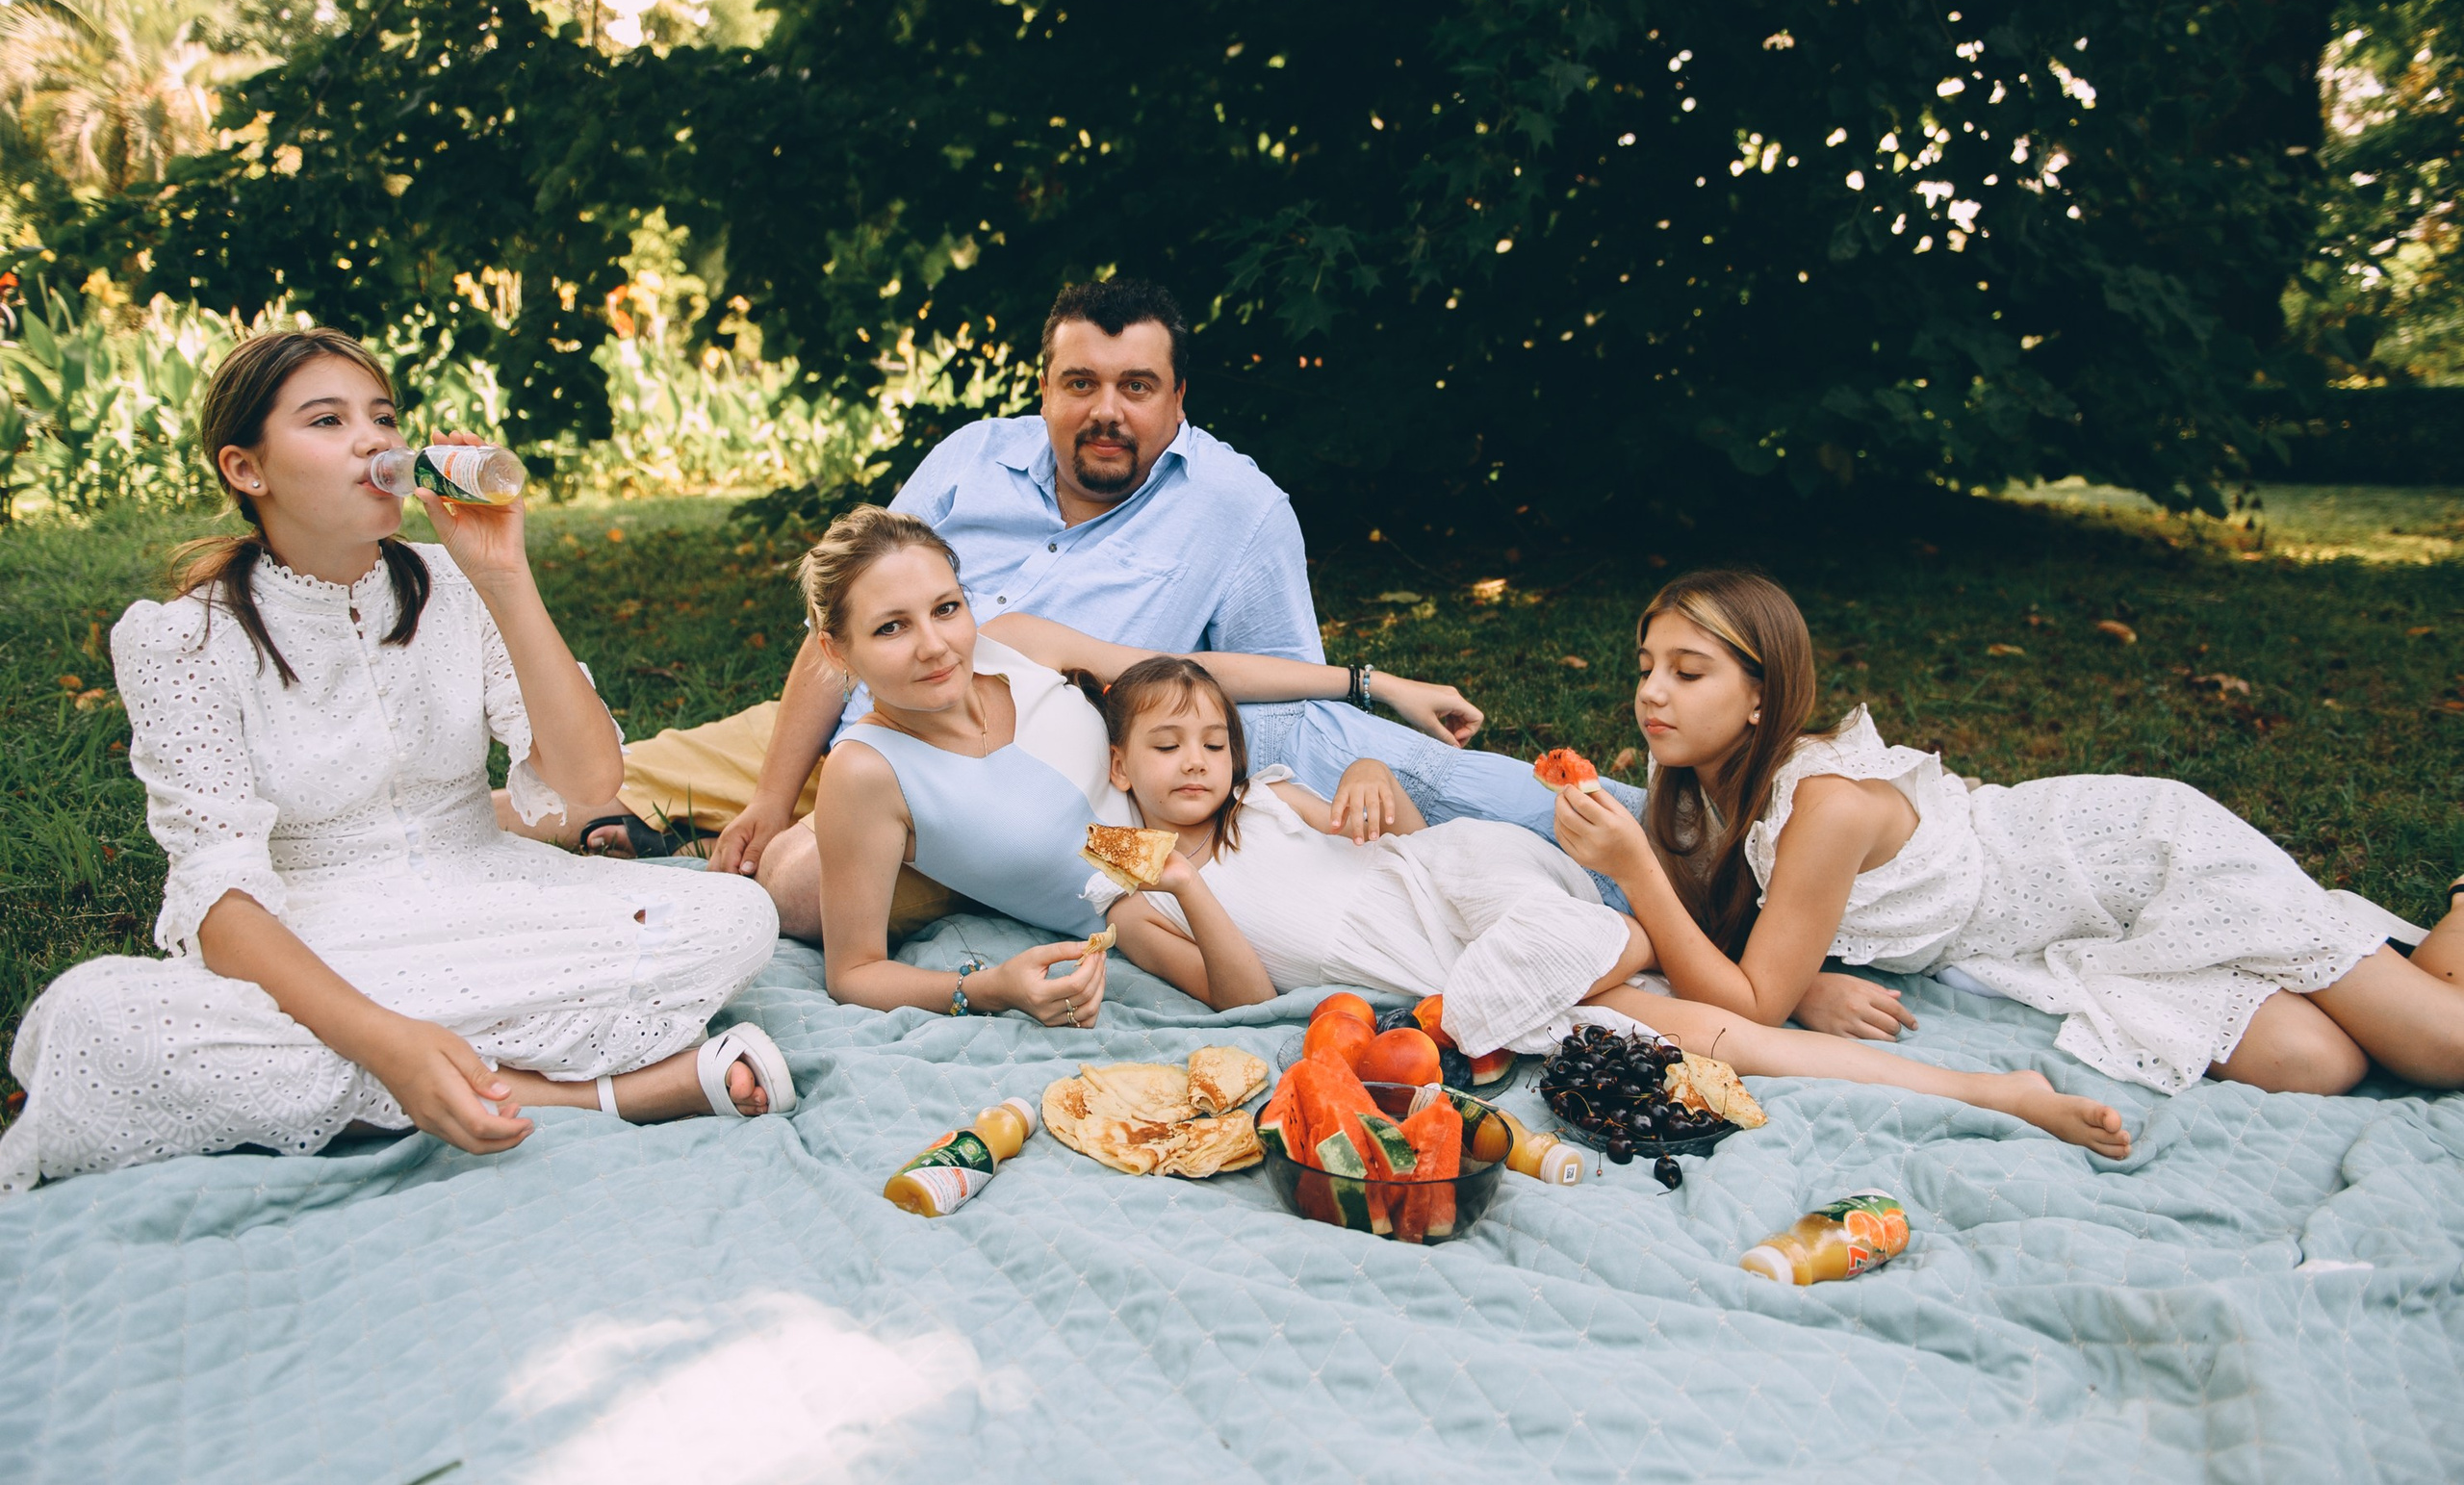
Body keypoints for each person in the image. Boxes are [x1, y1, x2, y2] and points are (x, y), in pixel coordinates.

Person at [507, 277, 1644, 935]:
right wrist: (762, 789)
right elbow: (841, 626)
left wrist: (1367, 700)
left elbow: (1249, 698)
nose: (1106, 411)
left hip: (991, 782)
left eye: (1137, 388)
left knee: (792, 895)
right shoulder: (966, 460)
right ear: (1043, 386)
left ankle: (1674, 848)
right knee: (575, 793)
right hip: (847, 718)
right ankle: (425, 880)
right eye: (1079, 384)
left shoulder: (1238, 507)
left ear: (1178, 401)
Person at [0, 331, 789, 1194]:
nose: (375, 440)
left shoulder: (456, 585)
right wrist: (385, 1039)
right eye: (328, 420)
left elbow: (588, 786)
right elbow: (221, 904)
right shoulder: (182, 639)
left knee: (735, 917)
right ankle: (598, 1094)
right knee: (101, 1023)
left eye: (382, 416)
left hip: (490, 898)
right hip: (312, 935)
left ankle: (393, 1083)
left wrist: (506, 576)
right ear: (246, 469)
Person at [1080, 655, 2134, 1157]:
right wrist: (1178, 882)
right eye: (1167, 746)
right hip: (1466, 967)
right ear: (1119, 763)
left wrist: (1365, 773)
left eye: (1214, 740)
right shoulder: (1129, 894)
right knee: (1703, 1032)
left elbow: (1391, 826)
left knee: (1550, 981)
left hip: (1463, 882)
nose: (1197, 762)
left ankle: (1639, 936)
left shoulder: (1267, 798)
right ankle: (1989, 1090)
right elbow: (1239, 996)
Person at [1549, 568, 2464, 1098]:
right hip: (2060, 939)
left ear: (1761, 695)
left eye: (1689, 670)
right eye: (1647, 667)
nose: (1653, 693)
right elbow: (1745, 953)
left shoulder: (1822, 803)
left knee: (2444, 1049)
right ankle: (2372, 953)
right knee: (2322, 1065)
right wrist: (1811, 980)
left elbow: (1744, 1002)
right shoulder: (1697, 793)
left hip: (2125, 862)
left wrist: (1638, 873)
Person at [793, 506, 1480, 1024]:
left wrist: (1373, 683)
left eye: (947, 609)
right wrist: (990, 989)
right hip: (1158, 901)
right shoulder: (865, 774)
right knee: (1424, 958)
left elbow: (1184, 677)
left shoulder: (1017, 644)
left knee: (1471, 852)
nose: (936, 646)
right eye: (891, 627)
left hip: (1233, 799)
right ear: (836, 650)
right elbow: (854, 973)